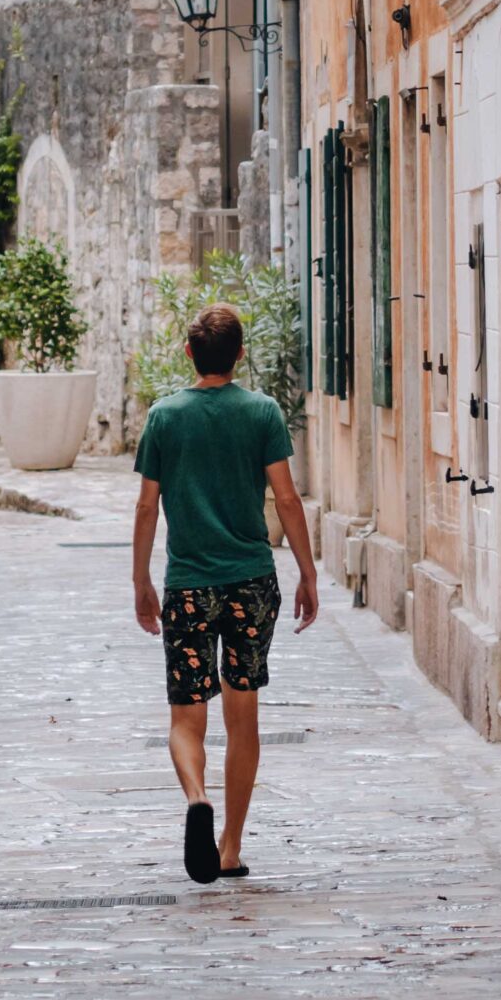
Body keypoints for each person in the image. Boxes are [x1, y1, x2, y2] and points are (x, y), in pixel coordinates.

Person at [131, 303, 317, 885]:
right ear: (240, 354)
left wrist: (139, 579)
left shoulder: (164, 417)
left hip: (188, 585)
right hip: (251, 585)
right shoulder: (262, 412)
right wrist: (309, 573)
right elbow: (287, 501)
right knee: (243, 716)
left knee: (187, 718)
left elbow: (146, 504)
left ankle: (195, 800)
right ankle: (230, 847)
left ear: (189, 353)